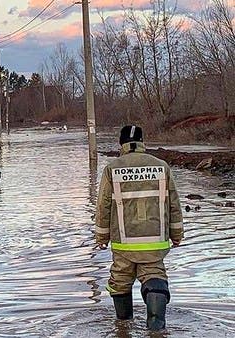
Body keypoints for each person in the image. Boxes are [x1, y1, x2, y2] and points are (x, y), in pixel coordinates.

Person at [95, 125, 184, 331]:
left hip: (124, 244)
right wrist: (177, 234)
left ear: (121, 143)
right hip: (155, 242)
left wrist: (101, 237)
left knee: (120, 282)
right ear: (143, 142)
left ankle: (123, 328)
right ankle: (156, 329)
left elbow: (103, 206)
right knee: (155, 278)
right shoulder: (161, 167)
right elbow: (174, 205)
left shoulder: (112, 169)